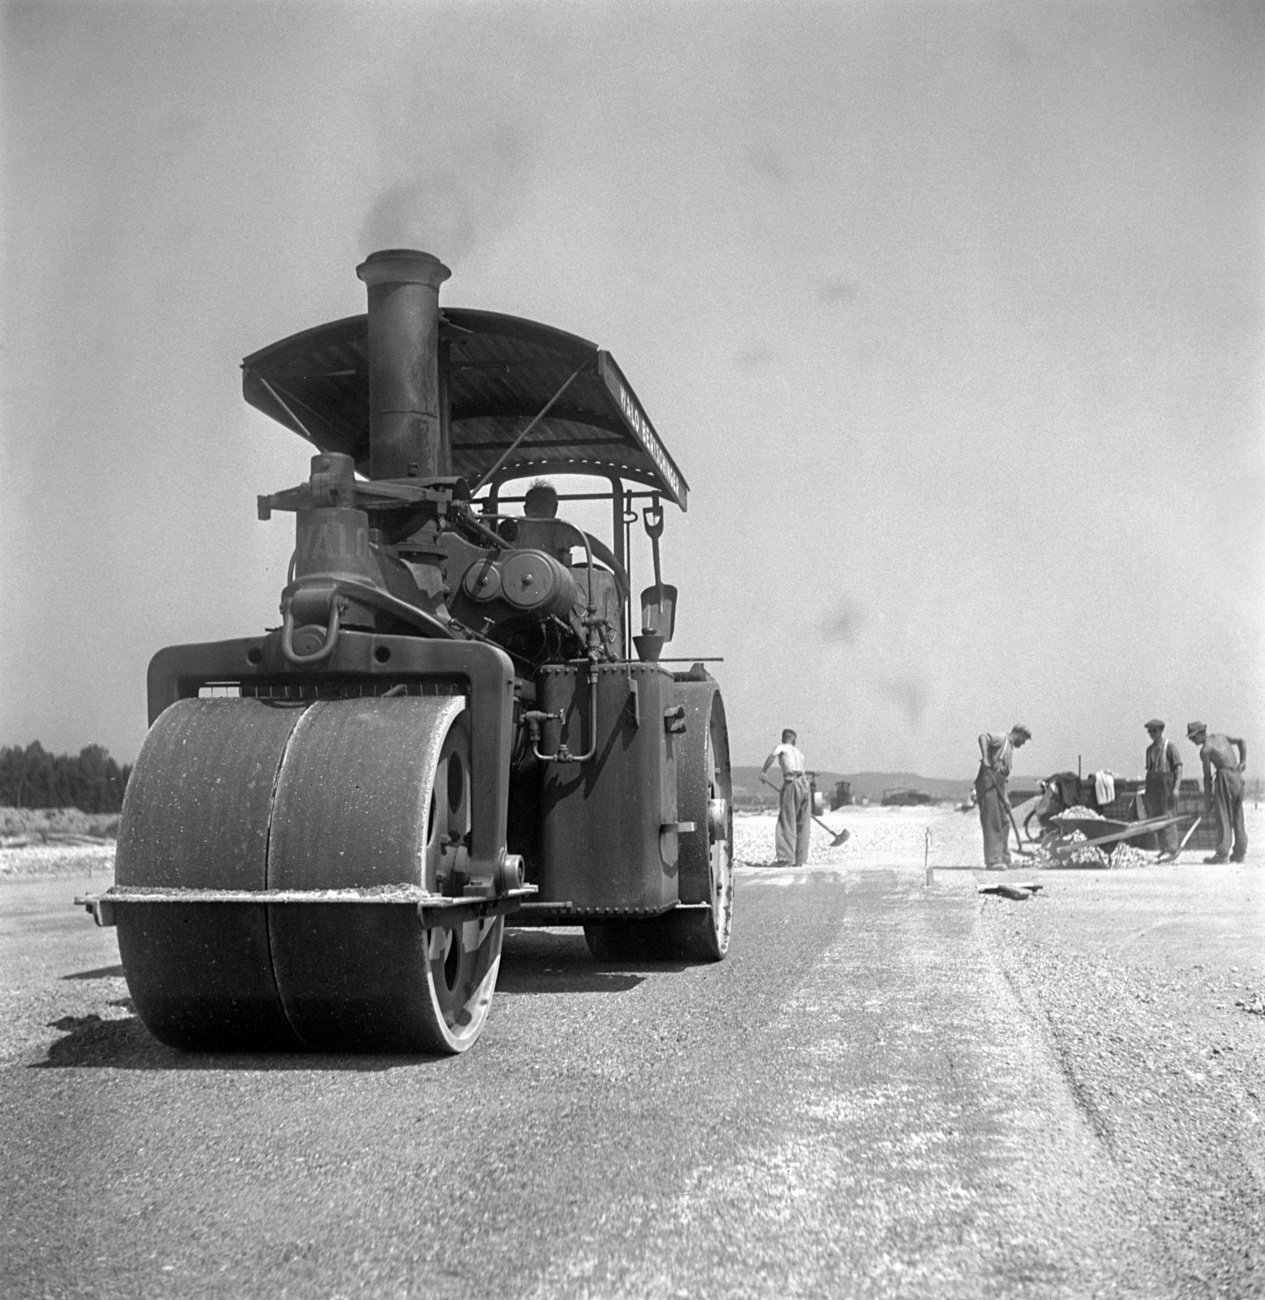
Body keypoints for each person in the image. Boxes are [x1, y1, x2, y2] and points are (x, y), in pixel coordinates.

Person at [1186, 722, 1248, 863]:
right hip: (1237, 777)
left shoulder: (1205, 750)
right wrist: (1243, 761)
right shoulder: (1220, 737)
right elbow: (1241, 741)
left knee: (1223, 815)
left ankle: (1222, 854)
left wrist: (1207, 801)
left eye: (1193, 737)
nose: (1191, 740)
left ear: (1201, 734)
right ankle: (1240, 852)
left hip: (1225, 778)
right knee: (1238, 814)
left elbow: (1207, 777)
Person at [974, 725, 1031, 869]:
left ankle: (1004, 858)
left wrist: (1005, 799)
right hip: (988, 783)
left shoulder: (1009, 748)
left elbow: (1003, 778)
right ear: (1018, 734)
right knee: (993, 821)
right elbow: (983, 737)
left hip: (998, 785)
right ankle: (993, 860)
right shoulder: (1002, 739)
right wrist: (986, 758)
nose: (1023, 744)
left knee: (1004, 822)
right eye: (1023, 740)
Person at [761, 729, 811, 867]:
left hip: (792, 782)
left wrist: (764, 771)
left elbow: (772, 756)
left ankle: (786, 859)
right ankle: (800, 859)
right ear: (794, 740)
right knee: (802, 821)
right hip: (805, 784)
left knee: (787, 820)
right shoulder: (799, 753)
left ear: (783, 738)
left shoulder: (781, 747)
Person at [1143, 719, 1183, 860]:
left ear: (1161, 731)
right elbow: (1149, 771)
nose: (1152, 734)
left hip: (1167, 786)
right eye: (1150, 731)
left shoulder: (1170, 747)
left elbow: (1178, 769)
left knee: (1168, 815)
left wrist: (1176, 788)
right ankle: (1163, 847)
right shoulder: (1149, 750)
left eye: (1155, 731)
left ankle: (1172, 849)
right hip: (1153, 786)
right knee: (1156, 818)